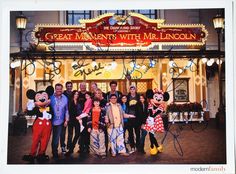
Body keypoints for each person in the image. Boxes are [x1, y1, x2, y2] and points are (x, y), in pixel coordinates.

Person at [50, 83, 69, 159]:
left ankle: (58, 149)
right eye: (57, 89)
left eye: (60, 89)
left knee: (60, 136)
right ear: (55, 89)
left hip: (62, 120)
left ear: (62, 89)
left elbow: (66, 110)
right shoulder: (51, 98)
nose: (59, 90)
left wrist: (66, 120)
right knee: (55, 137)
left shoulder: (65, 98)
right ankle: (54, 152)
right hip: (52, 121)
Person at [66, 90, 82, 156]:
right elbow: (68, 111)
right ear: (73, 95)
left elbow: (80, 110)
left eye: (77, 94)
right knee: (70, 134)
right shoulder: (70, 101)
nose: (76, 95)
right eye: (75, 94)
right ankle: (69, 149)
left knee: (77, 133)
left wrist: (80, 117)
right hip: (71, 120)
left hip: (77, 120)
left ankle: (72, 147)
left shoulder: (79, 102)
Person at [127, 85, 140, 153]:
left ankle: (138, 146)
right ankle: (132, 146)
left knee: (137, 133)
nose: (132, 91)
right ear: (129, 90)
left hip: (136, 117)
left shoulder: (138, 96)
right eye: (131, 89)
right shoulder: (127, 97)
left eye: (133, 89)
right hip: (129, 117)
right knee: (130, 133)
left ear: (135, 90)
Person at [63, 81, 73, 151]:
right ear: (66, 87)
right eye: (68, 86)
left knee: (70, 132)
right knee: (63, 132)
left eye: (70, 86)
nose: (69, 87)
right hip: (63, 115)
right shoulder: (63, 94)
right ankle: (63, 146)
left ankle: (69, 146)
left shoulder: (73, 94)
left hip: (71, 115)